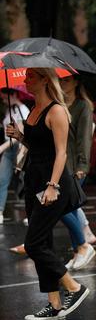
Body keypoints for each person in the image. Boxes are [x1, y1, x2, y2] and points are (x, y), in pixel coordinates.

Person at [6, 68, 89, 320]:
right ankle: (54, 305)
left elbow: (61, 153)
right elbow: (38, 147)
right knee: (43, 243)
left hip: (53, 183)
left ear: (44, 79)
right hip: (33, 180)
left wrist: (53, 186)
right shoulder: (33, 110)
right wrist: (20, 136)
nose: (26, 80)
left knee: (32, 244)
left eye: (31, 76)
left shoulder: (57, 110)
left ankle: (75, 287)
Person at [59, 74, 96, 270]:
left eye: (65, 80)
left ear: (75, 82)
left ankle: (83, 246)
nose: (62, 83)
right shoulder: (59, 104)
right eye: (61, 80)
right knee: (70, 208)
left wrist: (83, 166)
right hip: (60, 165)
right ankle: (77, 251)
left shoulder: (83, 106)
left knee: (61, 208)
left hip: (75, 167)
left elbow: (85, 139)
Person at [0, 86, 30, 224]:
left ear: (12, 94)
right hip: (9, 149)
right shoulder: (9, 110)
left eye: (5, 97)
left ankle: (33, 213)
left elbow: (20, 135)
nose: (3, 99)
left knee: (26, 183)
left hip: (20, 149)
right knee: (2, 179)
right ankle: (0, 211)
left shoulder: (23, 110)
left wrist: (2, 147)